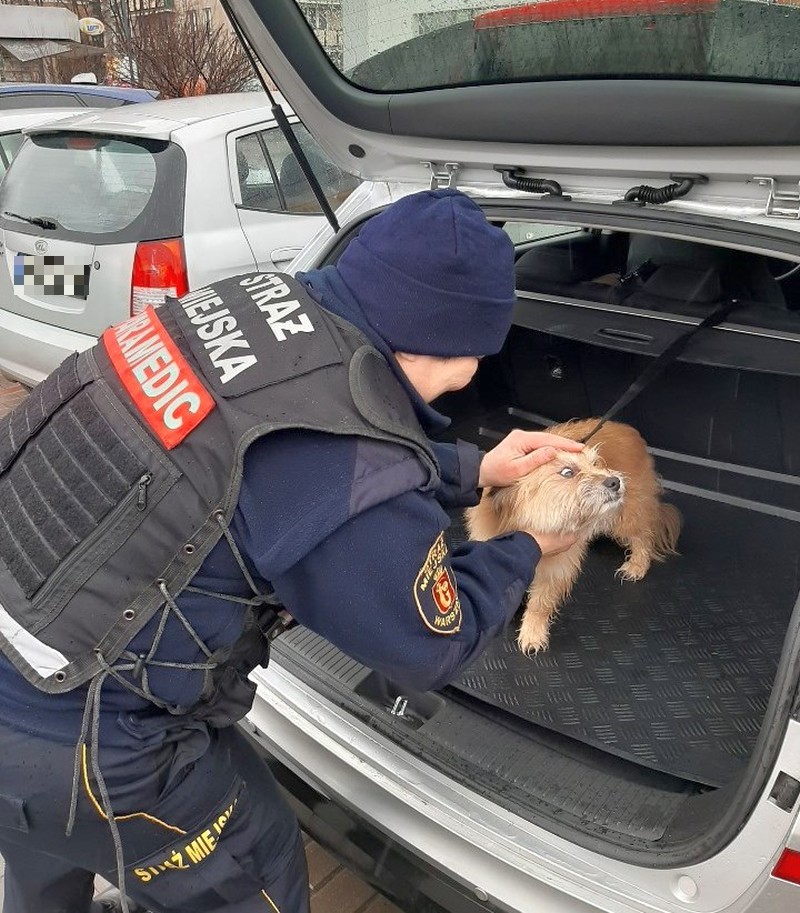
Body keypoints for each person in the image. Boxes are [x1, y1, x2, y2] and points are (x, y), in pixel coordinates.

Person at [0, 189, 582, 913]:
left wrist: (475, 470)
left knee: (40, 846)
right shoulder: (342, 460)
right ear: (462, 348)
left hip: (22, 657)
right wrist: (526, 546)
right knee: (256, 861)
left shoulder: (258, 302)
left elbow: (281, 444)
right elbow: (430, 645)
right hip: (87, 742)